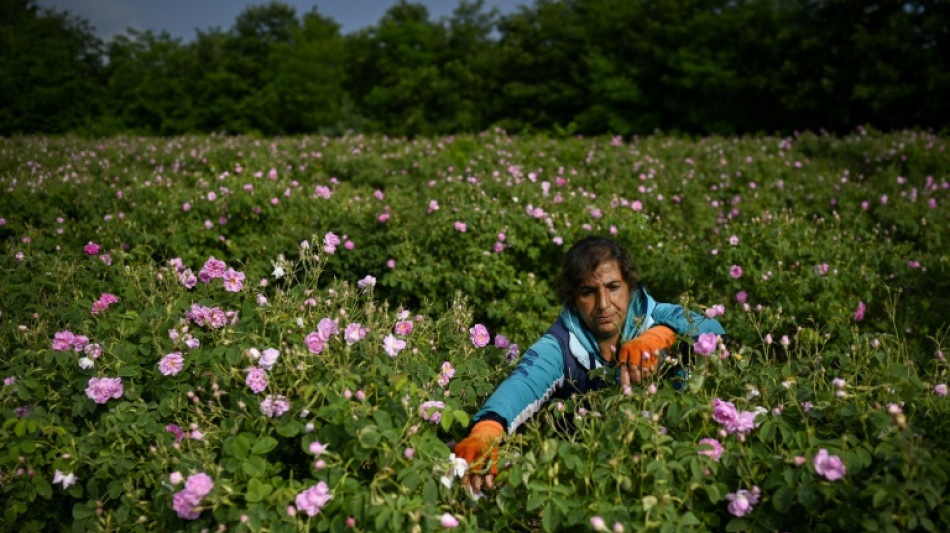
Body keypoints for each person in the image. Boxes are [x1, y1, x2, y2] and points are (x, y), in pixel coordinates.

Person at [453, 235, 726, 493]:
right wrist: (487, 428)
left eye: (613, 287)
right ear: (573, 297)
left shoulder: (658, 315)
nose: (603, 304)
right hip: (590, 480)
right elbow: (523, 383)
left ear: (629, 286)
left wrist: (661, 336)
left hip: (675, 461)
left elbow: (714, 329)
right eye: (588, 292)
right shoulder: (559, 345)